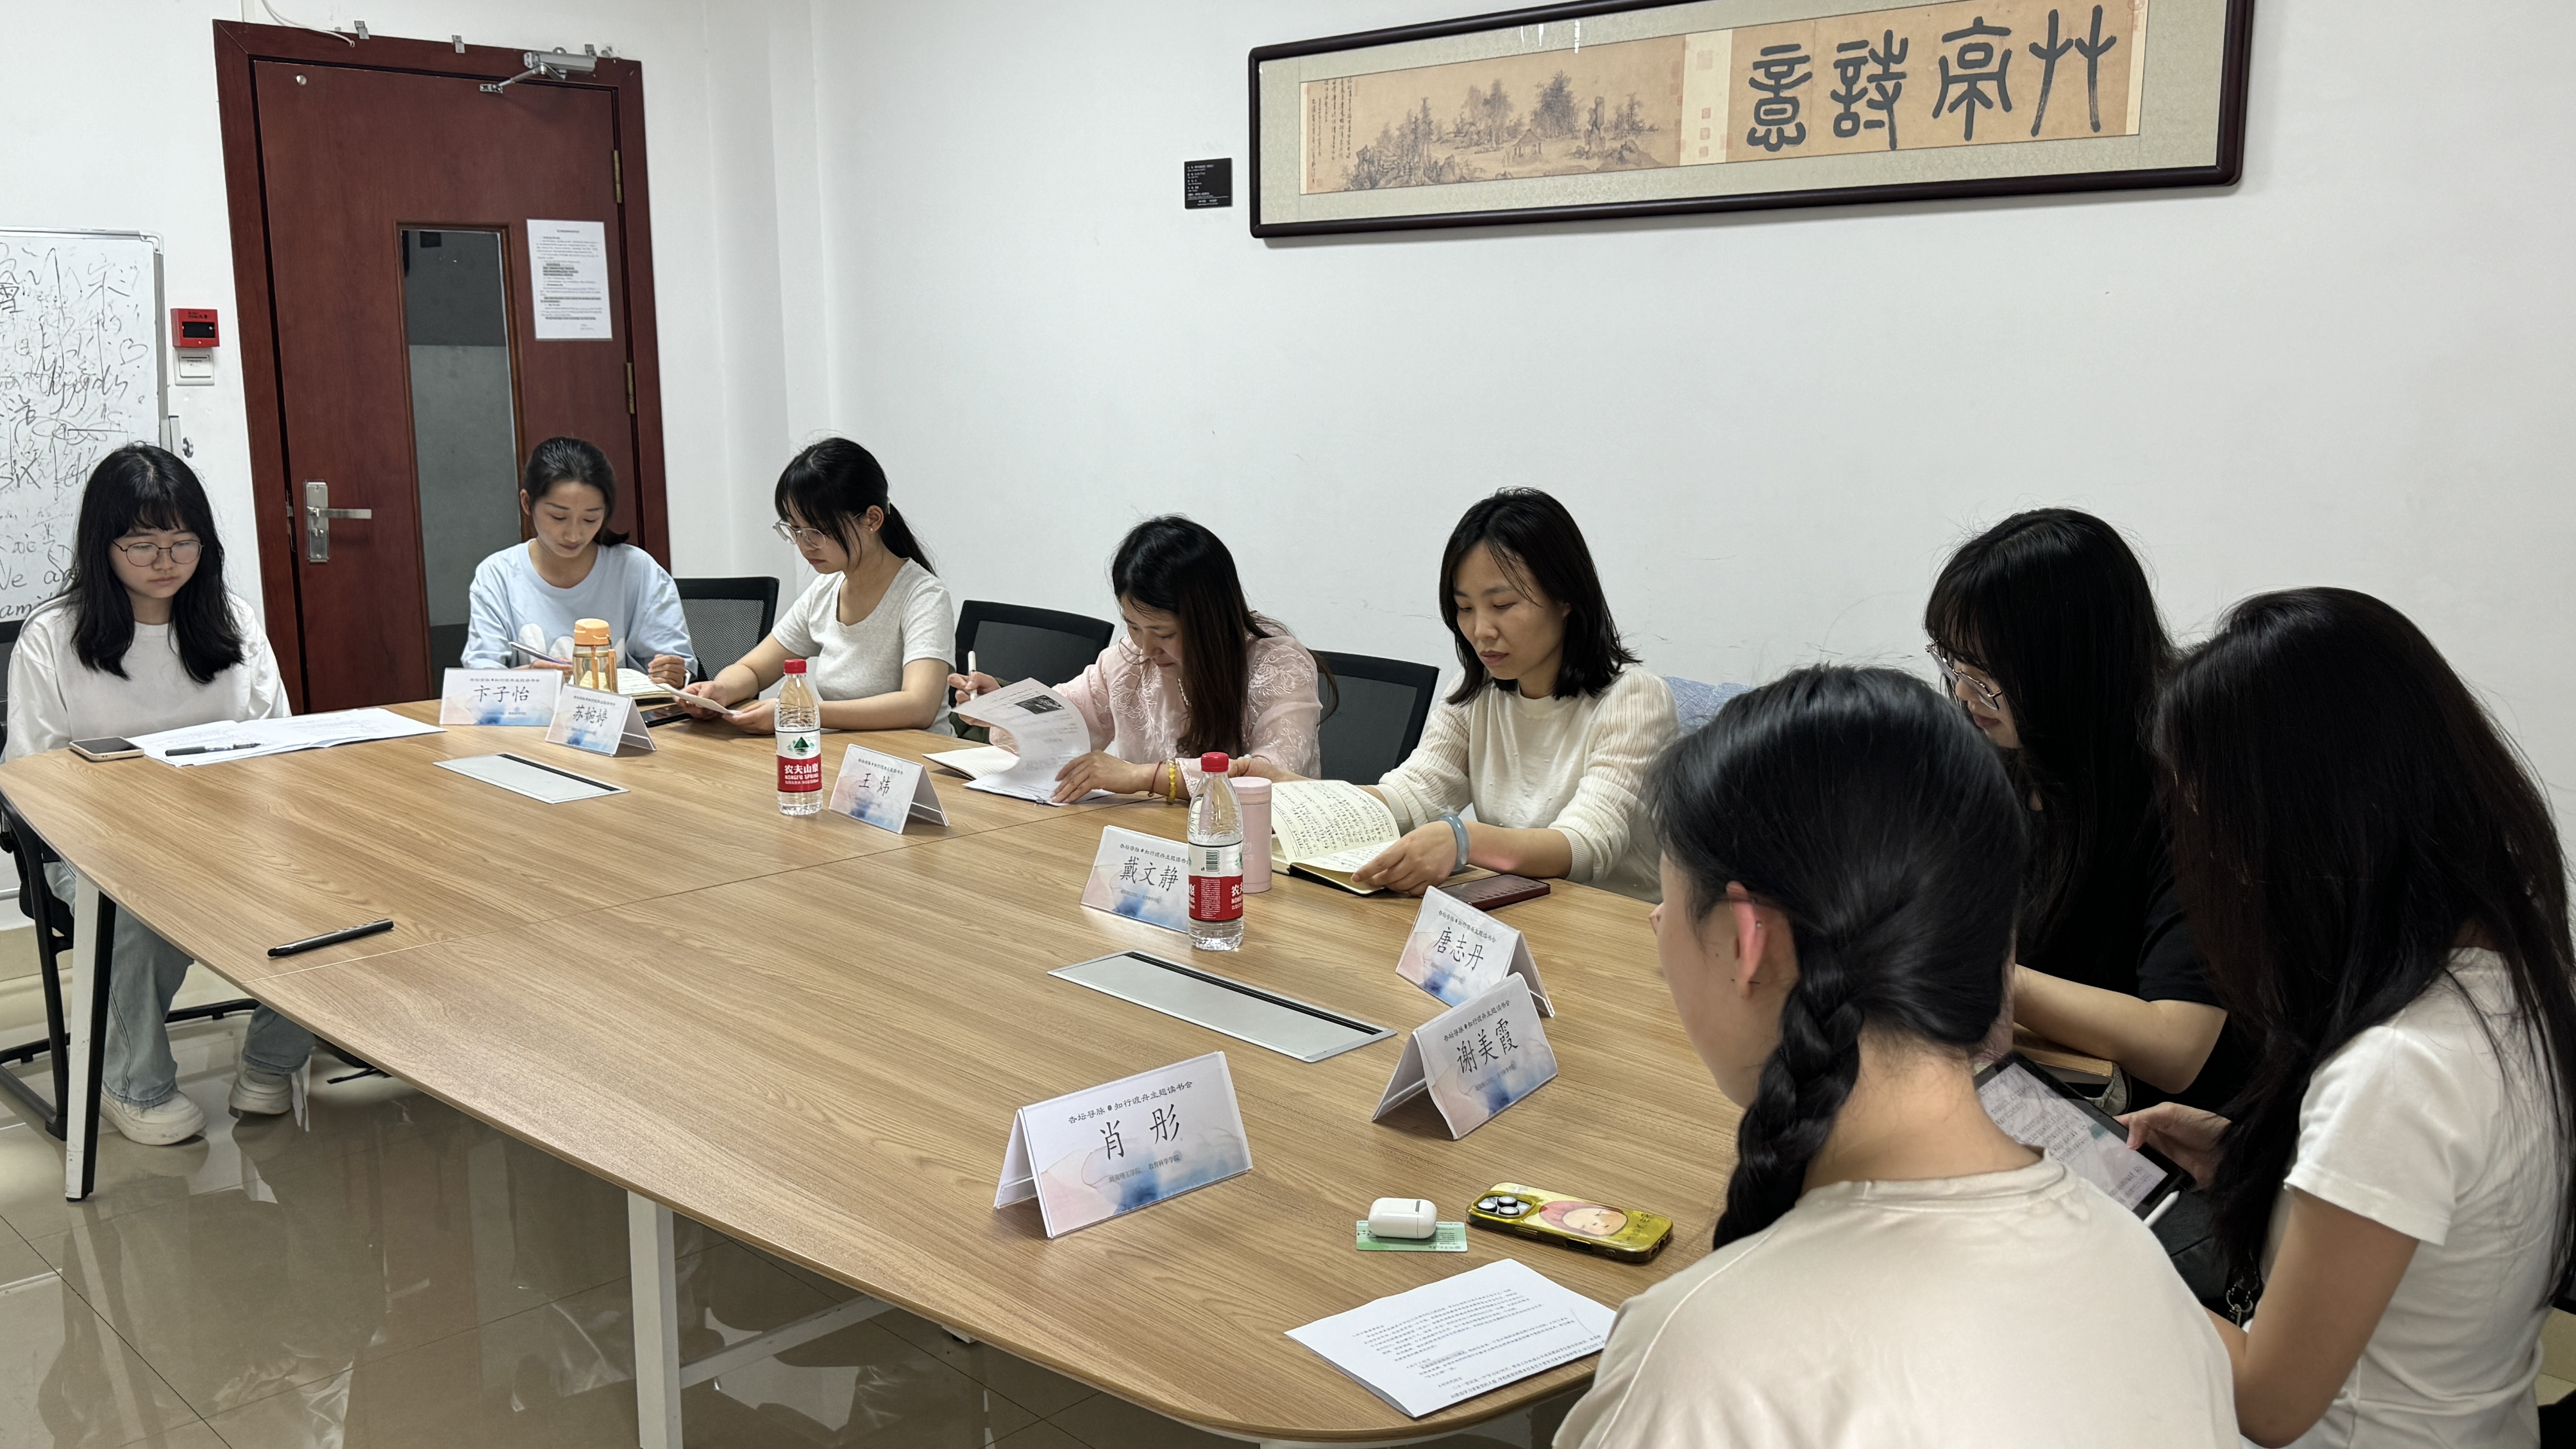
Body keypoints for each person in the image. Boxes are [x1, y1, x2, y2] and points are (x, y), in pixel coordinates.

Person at [1556, 667, 2234, 1448]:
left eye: (1668, 901)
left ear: (1748, 941)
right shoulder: (2142, 1271)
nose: (1655, 926)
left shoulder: (1696, 1362)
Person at [2125, 588, 2576, 1448]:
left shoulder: (2401, 1070)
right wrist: (2262, 1163)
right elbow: (2427, 1221)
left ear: (2298, 830)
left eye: (2216, 827)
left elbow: (2267, 1402)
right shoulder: (2509, 972)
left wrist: (2095, 1253)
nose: (2218, 865)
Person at [3, 444, 316, 1144]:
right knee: (142, 911)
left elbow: (278, 742)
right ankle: (132, 1084)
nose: (165, 561)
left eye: (183, 543)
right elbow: (32, 776)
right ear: (103, 546)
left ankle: (272, 1062)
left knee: (329, 893)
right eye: (142, 545)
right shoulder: (53, 638)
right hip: (96, 847)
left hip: (228, 832)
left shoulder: (230, 621)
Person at [1925, 509, 2249, 1114]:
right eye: (1952, 662)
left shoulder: (2190, 800)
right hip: (2031, 1084)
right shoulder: (1991, 756)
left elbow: (2178, 1047)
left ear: (2070, 668)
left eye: (1986, 674)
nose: (1964, 693)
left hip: (2157, 1133)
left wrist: (1989, 975)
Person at [1348, 488, 1674, 902]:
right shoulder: (1476, 691)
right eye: (1465, 608)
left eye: (1502, 605)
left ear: (1564, 597)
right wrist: (1304, 799)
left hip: (1610, 924)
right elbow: (1413, 794)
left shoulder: (1634, 699)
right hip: (1516, 909)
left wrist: (1461, 839)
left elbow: (1585, 846)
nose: (1481, 631)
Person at [948, 516, 1322, 803]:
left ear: (1210, 622)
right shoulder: (1130, 661)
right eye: (1133, 626)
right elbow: (1065, 718)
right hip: (1149, 839)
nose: (1146, 648)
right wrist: (1006, 707)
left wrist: (1142, 777)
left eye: (1165, 633)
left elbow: (1272, 779)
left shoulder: (1279, 667)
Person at [679, 438, 951, 731]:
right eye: (796, 529)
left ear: (872, 519)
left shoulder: (923, 596)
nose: (805, 544)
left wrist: (801, 712)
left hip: (912, 758)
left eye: (818, 530)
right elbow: (753, 670)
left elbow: (919, 706)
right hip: (847, 753)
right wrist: (719, 691)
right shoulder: (825, 591)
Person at [461, 436, 694, 685]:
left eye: (590, 519)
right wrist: (530, 676)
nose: (574, 535)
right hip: (532, 712)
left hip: (626, 711)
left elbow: (678, 669)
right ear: (527, 503)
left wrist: (674, 674)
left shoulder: (636, 570)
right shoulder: (498, 575)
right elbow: (480, 678)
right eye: (558, 517)